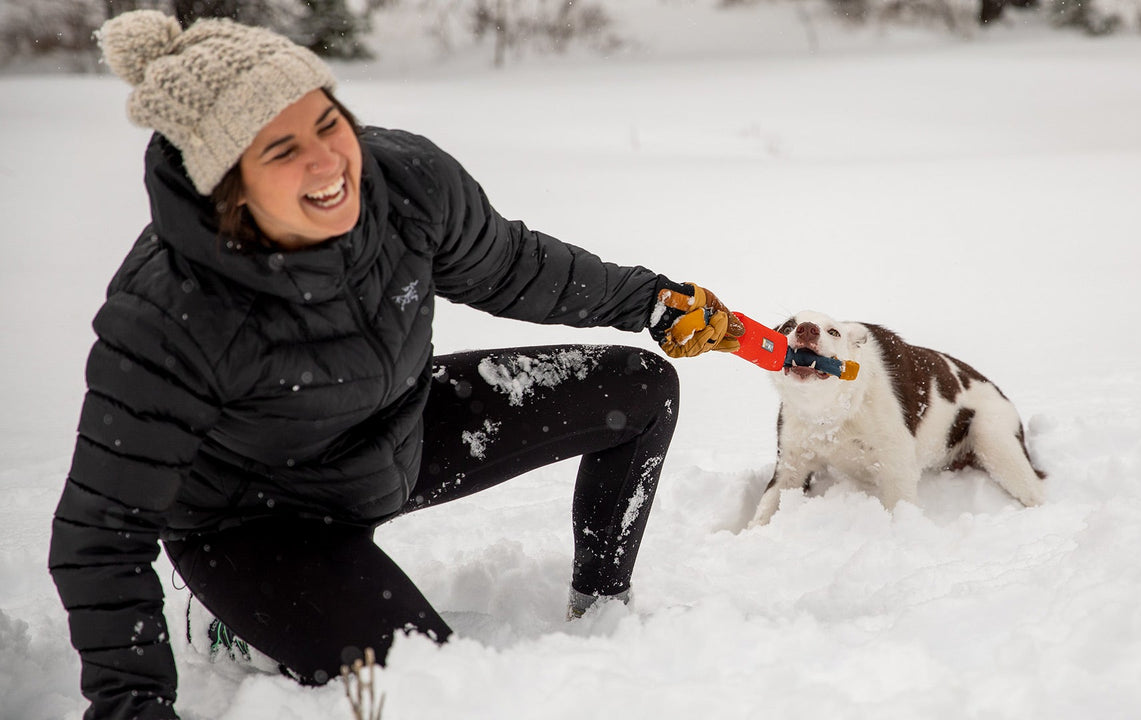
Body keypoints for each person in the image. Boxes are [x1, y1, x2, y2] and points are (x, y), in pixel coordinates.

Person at [49, 10, 745, 720]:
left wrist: (649, 302)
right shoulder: (171, 312)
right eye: (281, 150)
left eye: (328, 124)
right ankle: (240, 620)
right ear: (229, 182)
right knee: (429, 693)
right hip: (253, 522)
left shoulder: (405, 186)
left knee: (641, 390)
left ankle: (600, 613)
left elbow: (514, 267)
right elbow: (99, 534)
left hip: (388, 437)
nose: (327, 163)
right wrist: (133, 705)